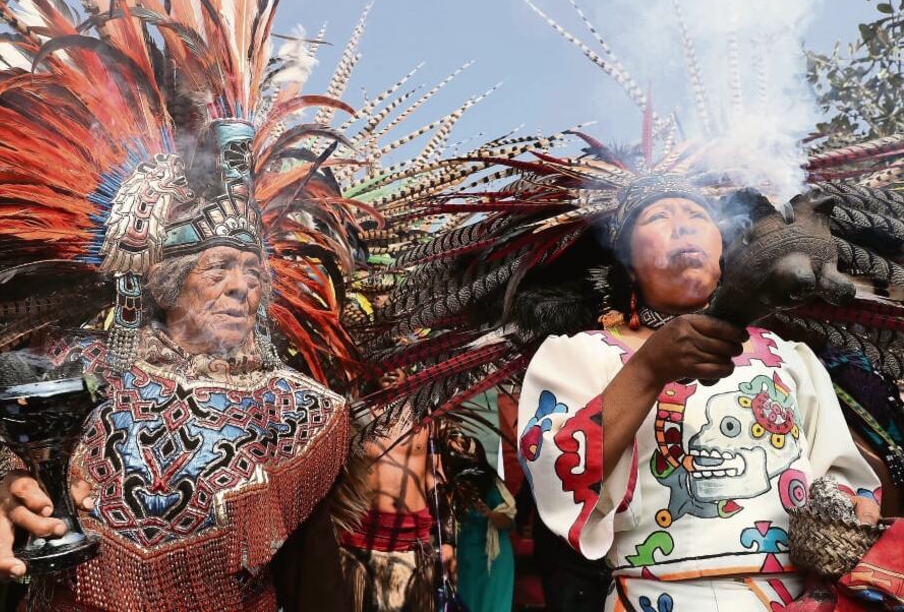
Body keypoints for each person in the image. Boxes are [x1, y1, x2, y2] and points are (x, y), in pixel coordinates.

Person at [0, 0, 375, 609]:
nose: (243, 286)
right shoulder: (68, 366)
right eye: (220, 268)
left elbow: (315, 585)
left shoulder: (300, 414)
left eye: (251, 269)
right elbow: (2, 475)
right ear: (163, 281)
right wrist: (1, 506)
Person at [518, 176, 881, 610]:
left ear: (724, 250)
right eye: (658, 217)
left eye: (697, 216)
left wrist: (827, 577)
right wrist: (650, 368)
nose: (683, 225)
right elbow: (555, 466)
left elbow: (843, 478)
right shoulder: (577, 355)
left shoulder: (790, 357)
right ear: (628, 261)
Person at [338, 410, 457, 612]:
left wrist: (447, 539)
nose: (389, 375)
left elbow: (435, 476)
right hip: (356, 541)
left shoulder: (427, 418)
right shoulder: (352, 412)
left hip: (410, 545)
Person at [443, 431, 516, 612]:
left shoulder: (491, 485)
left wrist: (489, 513)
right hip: (466, 560)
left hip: (492, 560)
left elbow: (508, 521)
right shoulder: (452, 487)